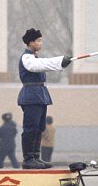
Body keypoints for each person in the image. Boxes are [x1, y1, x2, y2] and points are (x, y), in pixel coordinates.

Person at [18, 28, 72, 169]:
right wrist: (60, 61)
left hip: (39, 95)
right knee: (31, 128)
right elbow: (40, 65)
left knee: (39, 127)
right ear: (30, 42)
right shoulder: (27, 58)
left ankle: (36, 156)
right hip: (31, 96)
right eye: (38, 41)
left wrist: (60, 63)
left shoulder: (35, 58)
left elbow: (43, 64)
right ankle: (28, 159)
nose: (41, 43)